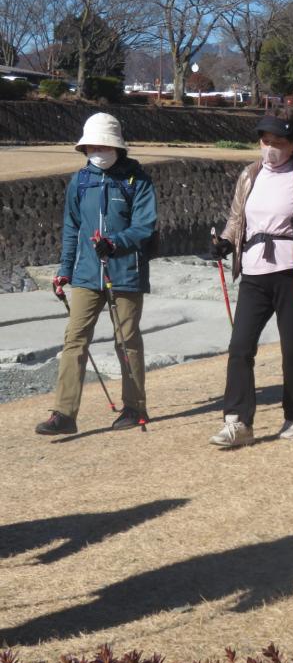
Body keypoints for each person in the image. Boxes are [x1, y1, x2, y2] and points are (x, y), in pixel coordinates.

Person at [209, 110, 293, 447]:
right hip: (253, 271)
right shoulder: (249, 174)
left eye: (278, 141)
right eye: (265, 140)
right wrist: (225, 242)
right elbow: (236, 219)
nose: (270, 147)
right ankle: (237, 422)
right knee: (240, 346)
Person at [36, 113, 157, 435]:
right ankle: (63, 414)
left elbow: (145, 226)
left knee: (126, 341)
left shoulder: (137, 180)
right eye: (91, 145)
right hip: (87, 275)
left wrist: (115, 243)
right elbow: (72, 228)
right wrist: (64, 271)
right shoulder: (81, 180)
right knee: (74, 339)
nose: (96, 150)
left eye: (102, 144)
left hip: (126, 273)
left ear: (116, 146)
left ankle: (135, 408)